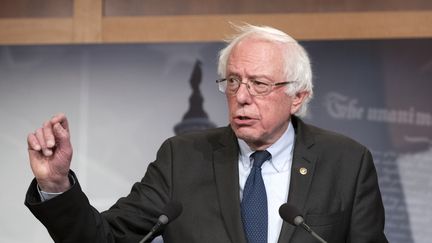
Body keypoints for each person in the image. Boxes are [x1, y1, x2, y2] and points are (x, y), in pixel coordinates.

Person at [25, 24, 388, 243]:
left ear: (298, 97)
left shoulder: (347, 162)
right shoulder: (182, 158)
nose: (241, 96)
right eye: (233, 81)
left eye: (259, 84)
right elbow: (106, 240)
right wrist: (56, 186)